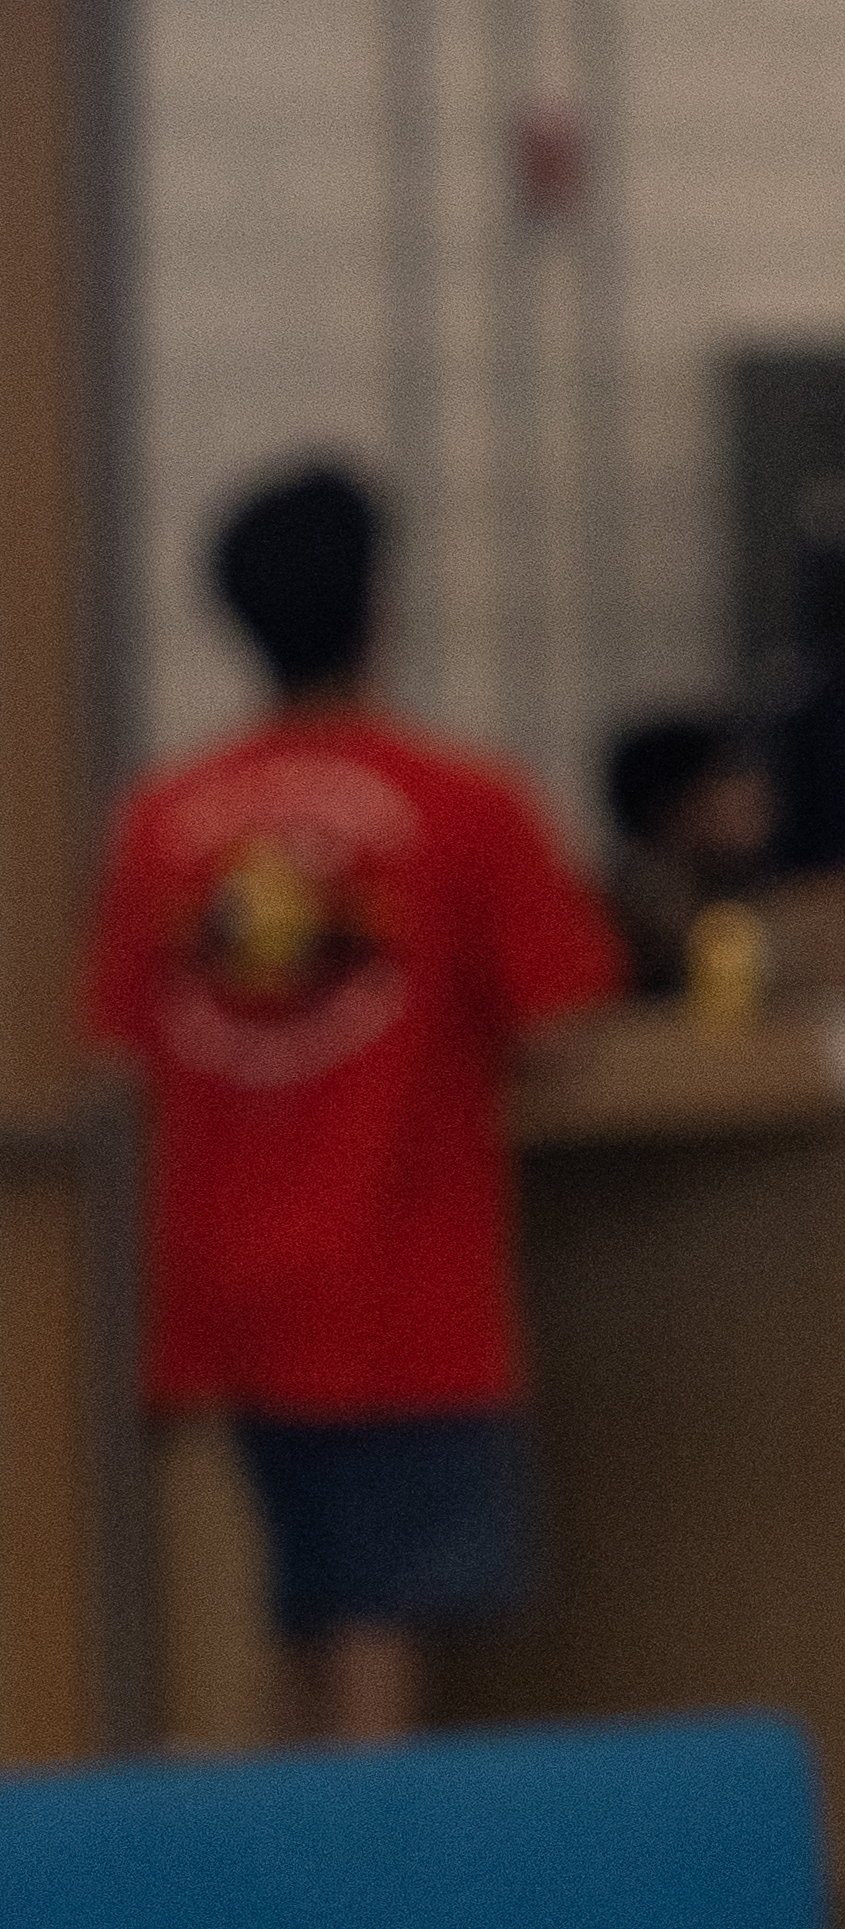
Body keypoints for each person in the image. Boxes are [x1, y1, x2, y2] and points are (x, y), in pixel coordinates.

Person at [82, 462, 619, 1740]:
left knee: (285, 1611)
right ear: (381, 603)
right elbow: (562, 1024)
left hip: (217, 1287)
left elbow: (117, 1040)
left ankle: (285, 1898)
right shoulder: (464, 804)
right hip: (399, 1277)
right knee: (378, 1611)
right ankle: (376, 1903)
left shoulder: (165, 820)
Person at [597, 706, 777, 1007]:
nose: (757, 791)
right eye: (729, 775)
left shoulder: (722, 880)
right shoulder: (645, 897)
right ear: (677, 806)